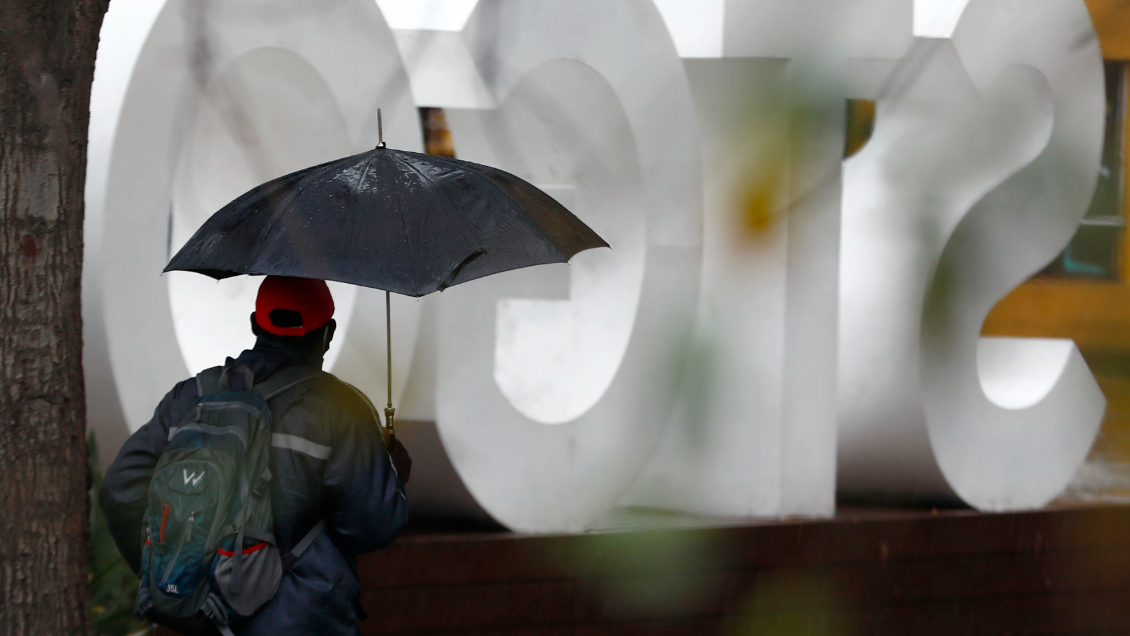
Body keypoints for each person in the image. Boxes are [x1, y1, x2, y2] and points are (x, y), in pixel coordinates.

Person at [100, 276, 411, 635]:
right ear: (328, 332)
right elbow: (371, 526)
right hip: (304, 619)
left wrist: (168, 574)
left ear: (254, 324)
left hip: (205, 616)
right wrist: (393, 474)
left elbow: (120, 490)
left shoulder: (191, 397)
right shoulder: (342, 410)